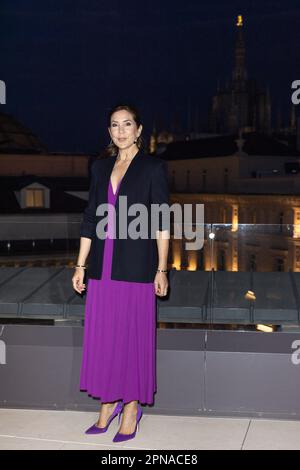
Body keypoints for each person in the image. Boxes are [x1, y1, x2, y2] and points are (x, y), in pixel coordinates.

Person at [72, 104, 170, 442]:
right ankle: (108, 400)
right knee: (105, 337)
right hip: (102, 264)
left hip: (136, 266)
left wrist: (161, 269)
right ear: (109, 131)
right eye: (114, 125)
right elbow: (89, 217)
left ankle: (131, 407)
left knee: (131, 336)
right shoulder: (99, 168)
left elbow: (160, 222)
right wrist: (81, 264)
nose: (121, 130)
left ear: (139, 129)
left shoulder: (153, 168)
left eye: (127, 124)